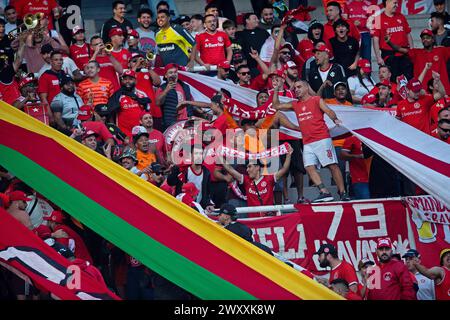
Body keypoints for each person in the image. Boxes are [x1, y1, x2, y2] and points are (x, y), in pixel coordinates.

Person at [273, 80, 350, 202]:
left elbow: (328, 111)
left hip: (322, 138)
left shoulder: (316, 99)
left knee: (332, 166)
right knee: (308, 167)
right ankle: (324, 192)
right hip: (307, 142)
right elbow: (276, 106)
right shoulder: (295, 104)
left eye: (299, 87)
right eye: (295, 88)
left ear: (306, 87)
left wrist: (334, 119)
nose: (296, 90)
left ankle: (343, 193)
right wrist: (276, 90)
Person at [220, 145, 293, 217]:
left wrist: (288, 154)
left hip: (268, 219)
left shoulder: (269, 179)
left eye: (249, 167)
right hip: (254, 221)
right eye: (247, 167)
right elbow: (230, 169)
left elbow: (284, 169)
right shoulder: (246, 180)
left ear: (257, 167)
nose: (247, 170)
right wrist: (220, 156)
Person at [386, 29, 450, 95]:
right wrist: (389, 42)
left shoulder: (441, 51)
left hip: (442, 91)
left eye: (428, 38)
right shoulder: (416, 53)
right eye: (423, 38)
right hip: (423, 92)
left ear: (433, 40)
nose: (425, 40)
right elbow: (399, 49)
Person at [371, 0, 413, 80]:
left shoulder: (401, 16)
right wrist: (378, 57)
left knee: (408, 80)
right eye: (395, 3)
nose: (397, 5)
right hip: (389, 55)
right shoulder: (378, 19)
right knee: (392, 81)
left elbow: (408, 34)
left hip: (404, 54)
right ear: (387, 2)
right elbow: (375, 39)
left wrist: (412, 50)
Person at [167, 144, 215, 212]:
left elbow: (207, 193)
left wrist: (208, 204)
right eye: (196, 154)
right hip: (183, 207)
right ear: (191, 155)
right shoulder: (183, 169)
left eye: (201, 154)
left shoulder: (206, 172)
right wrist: (175, 170)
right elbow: (170, 182)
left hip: (199, 209)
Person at [107, 69, 151, 138]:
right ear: (121, 81)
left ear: (135, 81)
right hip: (123, 134)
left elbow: (147, 112)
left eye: (130, 79)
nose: (127, 81)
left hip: (141, 132)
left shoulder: (142, 95)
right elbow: (111, 114)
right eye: (125, 79)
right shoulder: (117, 96)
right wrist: (115, 132)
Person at [155, 63, 193, 130]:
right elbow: (158, 103)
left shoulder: (185, 86)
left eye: (175, 72)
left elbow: (191, 103)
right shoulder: (162, 88)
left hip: (186, 121)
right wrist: (166, 90)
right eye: (170, 72)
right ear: (166, 75)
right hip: (171, 123)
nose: (173, 74)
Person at [37, 50, 67, 123]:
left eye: (60, 60)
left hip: (67, 112)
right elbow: (43, 98)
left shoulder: (64, 74)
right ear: (51, 61)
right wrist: (51, 117)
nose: (59, 62)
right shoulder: (45, 76)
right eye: (56, 60)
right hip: (55, 113)